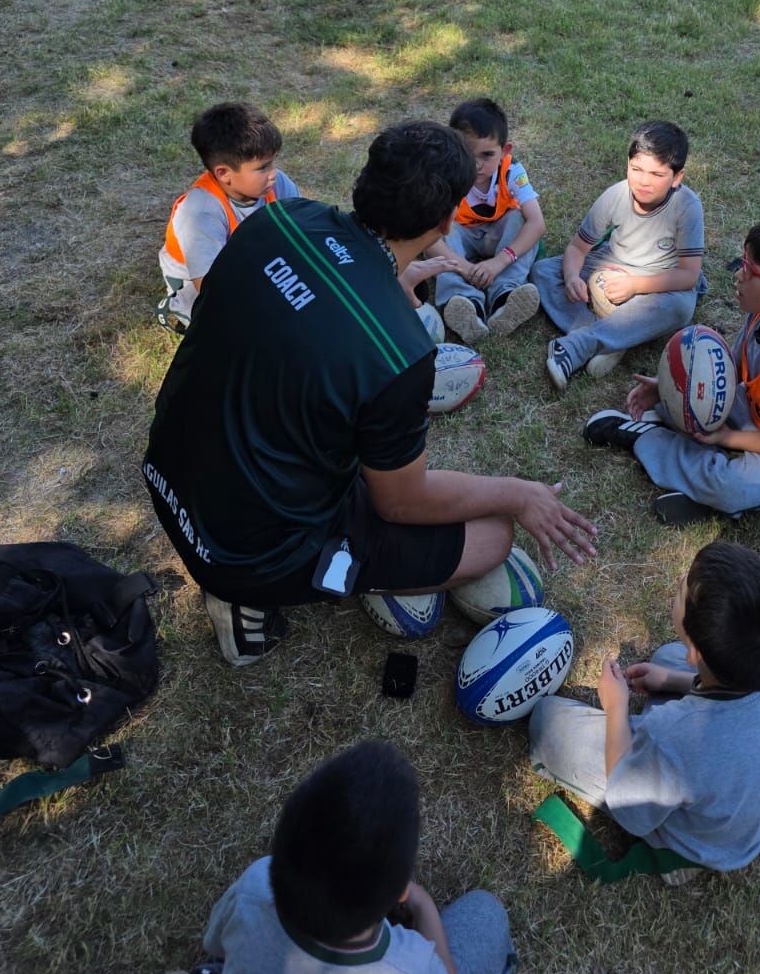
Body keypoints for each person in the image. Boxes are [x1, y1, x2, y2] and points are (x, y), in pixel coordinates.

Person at [143, 121, 596, 667]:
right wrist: (520, 494)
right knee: (493, 537)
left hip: (168, 469)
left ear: (365, 180)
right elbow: (402, 501)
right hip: (241, 550)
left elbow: (276, 316)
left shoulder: (279, 219)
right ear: (446, 220)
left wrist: (384, 284)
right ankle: (245, 601)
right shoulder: (399, 350)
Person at [528, 542, 760, 873]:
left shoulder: (674, 733)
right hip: (749, 782)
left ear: (695, 651)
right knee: (667, 657)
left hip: (707, 839)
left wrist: (616, 707)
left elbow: (630, 809)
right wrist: (671, 681)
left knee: (545, 721)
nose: (682, 578)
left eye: (685, 589)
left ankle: (682, 857)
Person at [584, 215, 760, 527]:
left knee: (729, 487)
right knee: (696, 403)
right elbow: (732, 371)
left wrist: (729, 438)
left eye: (751, 271)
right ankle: (703, 488)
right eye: (743, 263)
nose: (739, 276)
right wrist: (668, 386)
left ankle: (648, 440)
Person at [197, 740, 515, 974]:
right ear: (397, 894)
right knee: (486, 912)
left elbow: (216, 946)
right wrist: (422, 904)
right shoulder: (408, 965)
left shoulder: (253, 887)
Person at [533, 120, 704, 391]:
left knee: (681, 307)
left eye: (657, 175)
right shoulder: (615, 195)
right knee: (543, 270)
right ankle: (614, 337)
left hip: (660, 280)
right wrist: (571, 277)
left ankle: (577, 345)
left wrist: (636, 285)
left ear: (677, 177)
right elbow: (577, 248)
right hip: (612, 262)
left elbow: (689, 275)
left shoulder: (688, 206)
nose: (644, 182)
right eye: (636, 169)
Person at [157, 101, 300, 332]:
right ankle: (178, 307)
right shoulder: (200, 212)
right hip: (197, 284)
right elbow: (211, 287)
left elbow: (301, 231)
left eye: (273, 162)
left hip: (253, 262)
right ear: (224, 174)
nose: (274, 174)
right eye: (263, 167)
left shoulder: (277, 183)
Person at [424, 98, 545, 345]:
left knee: (522, 221)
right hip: (460, 237)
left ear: (505, 151)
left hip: (500, 237)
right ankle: (465, 302)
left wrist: (500, 261)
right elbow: (427, 238)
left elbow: (537, 223)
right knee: (439, 229)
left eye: (487, 155)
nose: (477, 164)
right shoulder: (445, 175)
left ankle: (505, 296)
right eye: (467, 154)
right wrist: (465, 268)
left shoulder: (512, 171)